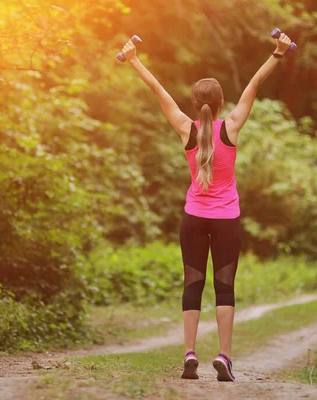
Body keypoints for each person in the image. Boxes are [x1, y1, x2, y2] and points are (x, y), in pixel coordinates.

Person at [121, 32, 292, 381]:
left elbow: (158, 90)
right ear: (220, 103)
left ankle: (189, 354)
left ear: (195, 102)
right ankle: (224, 358)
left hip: (193, 219)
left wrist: (134, 58)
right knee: (224, 287)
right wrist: (278, 53)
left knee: (192, 284)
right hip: (227, 219)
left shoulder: (186, 129)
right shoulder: (230, 127)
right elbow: (255, 84)